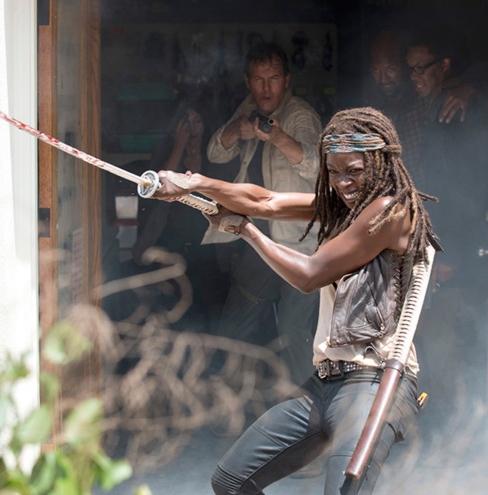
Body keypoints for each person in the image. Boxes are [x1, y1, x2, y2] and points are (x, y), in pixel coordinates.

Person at [154, 107, 441, 495]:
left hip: (372, 383)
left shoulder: (390, 211)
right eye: (333, 171)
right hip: (326, 383)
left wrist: (247, 232)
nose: (342, 183)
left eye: (353, 171)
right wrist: (194, 183)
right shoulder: (345, 207)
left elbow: (309, 274)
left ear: (379, 164)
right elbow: (266, 200)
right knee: (230, 481)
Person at [203, 42, 322, 384]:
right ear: (247, 81)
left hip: (299, 245)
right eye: (258, 79)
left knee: (292, 328)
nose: (266, 88)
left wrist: (277, 137)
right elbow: (215, 153)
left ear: (287, 80)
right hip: (258, 240)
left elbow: (318, 169)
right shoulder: (248, 109)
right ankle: (229, 399)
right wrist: (235, 130)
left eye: (273, 79)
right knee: (234, 323)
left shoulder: (300, 116)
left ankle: (309, 403)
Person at [399, 29, 488, 457]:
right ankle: (444, 436)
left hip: (450, 253)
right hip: (436, 249)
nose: (414, 76)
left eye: (422, 67)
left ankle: (455, 443)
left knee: (442, 347)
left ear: (446, 65)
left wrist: (447, 255)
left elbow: (460, 192)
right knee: (434, 347)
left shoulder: (454, 109)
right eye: (411, 69)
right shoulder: (436, 104)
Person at [130, 98, 228, 332]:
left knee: (207, 302)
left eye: (197, 121)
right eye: (186, 122)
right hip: (170, 237)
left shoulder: (213, 153)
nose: (191, 128)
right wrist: (179, 145)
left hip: (206, 239)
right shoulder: (165, 150)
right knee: (172, 299)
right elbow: (157, 187)